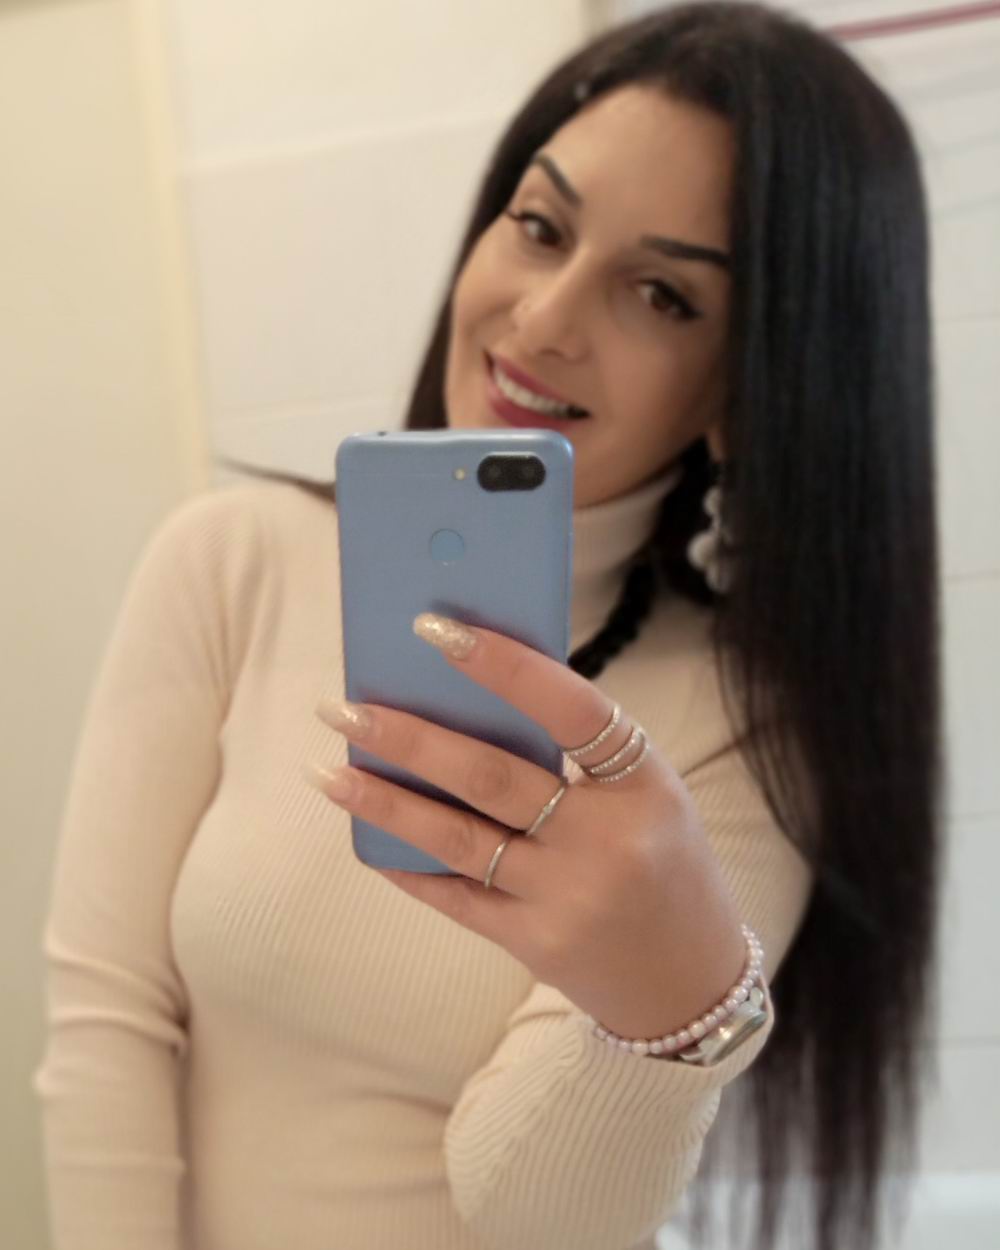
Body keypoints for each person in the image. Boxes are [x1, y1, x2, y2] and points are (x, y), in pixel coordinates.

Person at [33, 3, 942, 1250]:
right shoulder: (231, 562)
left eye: (662, 294)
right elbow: (107, 1025)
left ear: (749, 383)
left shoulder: (741, 728)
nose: (545, 319)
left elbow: (538, 1218)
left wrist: (664, 1012)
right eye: (540, 226)